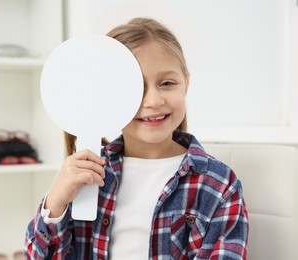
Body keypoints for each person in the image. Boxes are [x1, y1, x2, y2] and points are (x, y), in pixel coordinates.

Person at [25, 17, 249, 259]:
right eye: (136, 87)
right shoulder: (86, 176)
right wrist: (55, 205)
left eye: (167, 83)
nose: (153, 101)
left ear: (186, 83)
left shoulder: (218, 184)